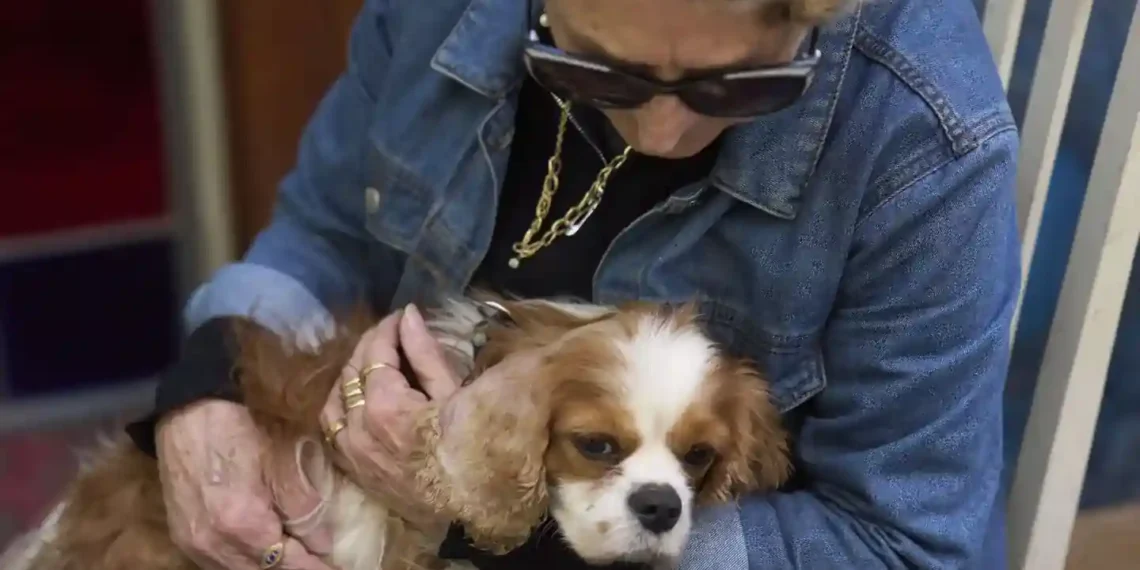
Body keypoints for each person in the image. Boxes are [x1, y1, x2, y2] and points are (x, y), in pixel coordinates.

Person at [125, 0, 1021, 568]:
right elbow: (322, 235)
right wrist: (209, 386)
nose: (661, 132)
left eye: (736, 86)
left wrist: (510, 522)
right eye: (596, 68)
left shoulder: (925, 136)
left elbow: (905, 547)